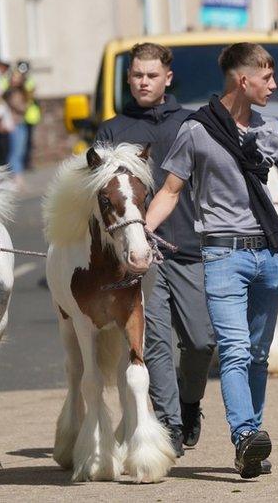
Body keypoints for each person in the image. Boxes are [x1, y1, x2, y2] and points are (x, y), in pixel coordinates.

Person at [146, 42, 278, 479]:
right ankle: (245, 435)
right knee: (236, 351)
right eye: (267, 78)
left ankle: (251, 443)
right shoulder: (197, 131)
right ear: (244, 80)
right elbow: (170, 191)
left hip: (271, 254)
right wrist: (143, 231)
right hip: (223, 254)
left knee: (259, 354)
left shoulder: (271, 129)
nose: (274, 85)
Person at [94, 42, 215, 459]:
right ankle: (169, 425)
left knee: (201, 341)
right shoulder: (112, 130)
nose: (143, 82)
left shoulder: (192, 123)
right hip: (139, 256)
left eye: (151, 75)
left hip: (188, 246)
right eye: (136, 76)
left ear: (167, 77)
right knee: (157, 341)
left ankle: (189, 403)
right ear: (129, 79)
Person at [2, 70, 31, 183]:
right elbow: (19, 107)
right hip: (15, 124)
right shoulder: (12, 93)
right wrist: (26, 105)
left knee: (20, 150)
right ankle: (17, 178)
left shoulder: (19, 92)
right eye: (14, 77)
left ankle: (18, 177)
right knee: (16, 152)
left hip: (20, 123)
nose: (16, 79)